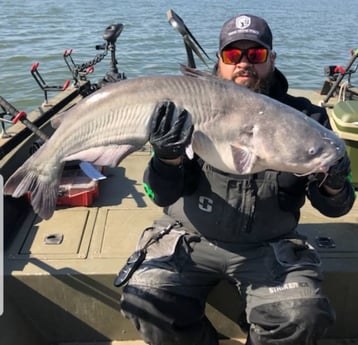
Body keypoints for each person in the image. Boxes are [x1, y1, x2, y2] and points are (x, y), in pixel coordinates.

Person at [119, 14, 356, 345]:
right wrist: (166, 156)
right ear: (220, 61)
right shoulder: (185, 108)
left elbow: (336, 207)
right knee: (145, 299)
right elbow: (159, 194)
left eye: (255, 55)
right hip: (192, 239)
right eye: (233, 55)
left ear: (271, 59)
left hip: (269, 247)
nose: (244, 63)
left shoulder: (307, 120)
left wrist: (333, 180)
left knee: (303, 315)